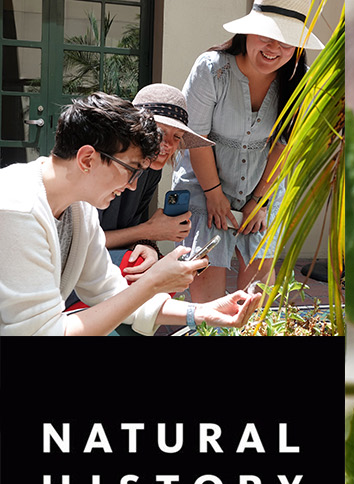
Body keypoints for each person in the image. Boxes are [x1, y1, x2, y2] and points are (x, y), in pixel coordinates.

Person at [0, 93, 261, 336]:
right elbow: (40, 333)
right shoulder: (17, 207)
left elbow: (108, 290)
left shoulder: (81, 209)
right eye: (132, 170)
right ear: (87, 159)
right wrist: (154, 282)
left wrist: (205, 312)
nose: (134, 184)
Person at [172, 0, 323, 302]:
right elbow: (195, 137)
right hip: (205, 181)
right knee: (205, 283)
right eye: (266, 35)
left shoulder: (299, 78)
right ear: (248, 32)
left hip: (263, 185)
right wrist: (214, 194)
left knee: (258, 292)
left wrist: (259, 199)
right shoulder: (211, 69)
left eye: (287, 41)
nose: (274, 48)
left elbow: (284, 145)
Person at [98, 84, 215, 283]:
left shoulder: (151, 173)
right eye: (161, 133)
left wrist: (148, 245)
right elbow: (83, 241)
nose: (168, 144)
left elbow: (132, 232)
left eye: (177, 137)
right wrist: (149, 231)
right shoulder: (105, 167)